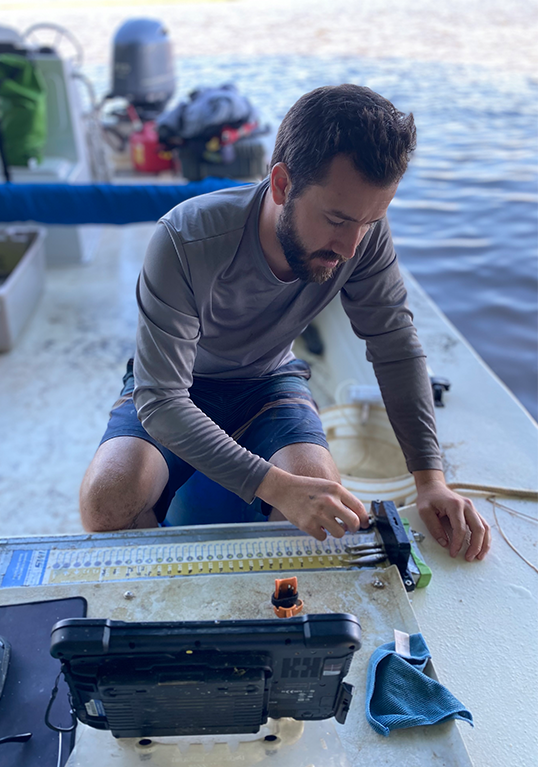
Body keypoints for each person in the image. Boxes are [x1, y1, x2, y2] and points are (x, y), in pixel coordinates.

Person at [80, 84, 491, 561]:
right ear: (281, 184)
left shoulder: (362, 236)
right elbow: (162, 399)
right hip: (182, 383)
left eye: (371, 220)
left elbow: (394, 344)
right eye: (337, 219)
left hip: (269, 380)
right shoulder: (184, 238)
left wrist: (429, 479)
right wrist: (276, 487)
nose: (352, 247)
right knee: (105, 503)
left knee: (323, 509)